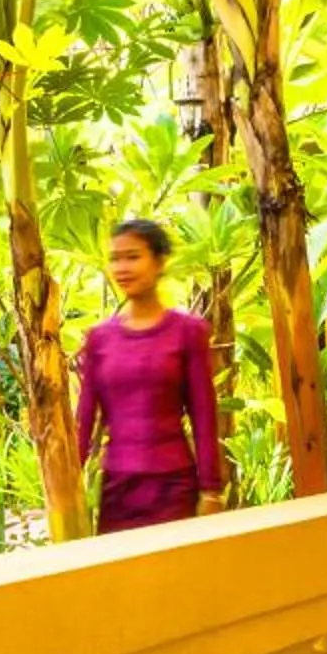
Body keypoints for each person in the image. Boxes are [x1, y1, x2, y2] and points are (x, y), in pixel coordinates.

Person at [74, 217, 226, 534]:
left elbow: (204, 414)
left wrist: (211, 489)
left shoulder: (188, 333)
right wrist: (66, 483)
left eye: (133, 256)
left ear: (159, 262)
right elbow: (85, 417)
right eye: (115, 258)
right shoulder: (100, 338)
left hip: (173, 485)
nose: (122, 268)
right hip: (117, 489)